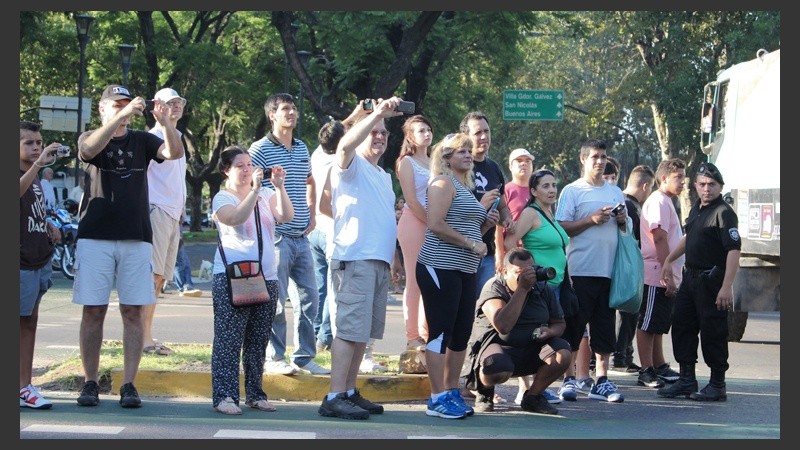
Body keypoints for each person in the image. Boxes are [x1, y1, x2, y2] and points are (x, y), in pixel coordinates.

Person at [73, 84, 184, 408]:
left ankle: (129, 384)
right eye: (116, 105)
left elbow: (173, 153)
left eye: (127, 104)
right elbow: (90, 150)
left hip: (136, 237)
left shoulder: (142, 140)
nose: (124, 110)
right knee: (93, 310)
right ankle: (90, 381)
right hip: (95, 236)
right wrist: (122, 114)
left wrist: (165, 123)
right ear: (102, 109)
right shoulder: (90, 136)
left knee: (132, 312)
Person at [316, 96, 403, 420]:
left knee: (362, 334)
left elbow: (383, 219)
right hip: (355, 259)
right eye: (374, 131)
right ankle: (334, 395)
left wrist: (392, 257)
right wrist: (376, 113)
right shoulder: (351, 165)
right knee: (349, 331)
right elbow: (342, 146)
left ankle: (349, 391)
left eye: (384, 132)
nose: (379, 136)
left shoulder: (382, 176)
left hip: (377, 261)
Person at [416, 132, 498, 419]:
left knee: (461, 331)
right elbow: (435, 224)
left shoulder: (464, 187)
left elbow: (472, 233)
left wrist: (485, 226)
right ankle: (436, 396)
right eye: (460, 150)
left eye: (468, 150)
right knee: (440, 330)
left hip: (464, 269)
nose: (467, 154)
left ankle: (450, 391)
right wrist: (469, 242)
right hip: (439, 266)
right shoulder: (442, 182)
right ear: (447, 157)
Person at [209, 145, 293, 415]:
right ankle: (225, 396)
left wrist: (279, 187)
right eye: (240, 166)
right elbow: (235, 219)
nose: (247, 170)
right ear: (226, 170)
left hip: (266, 276)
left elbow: (286, 216)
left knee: (258, 341)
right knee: (229, 339)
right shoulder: (223, 198)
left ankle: (255, 393)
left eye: (249, 165)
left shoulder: (266, 193)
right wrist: (254, 190)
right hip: (233, 276)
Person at [249, 93, 328, 376]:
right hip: (277, 237)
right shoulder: (259, 150)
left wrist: (313, 212)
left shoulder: (302, 147)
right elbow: (249, 187)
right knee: (276, 302)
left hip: (301, 237)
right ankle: (274, 356)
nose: (291, 113)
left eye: (293, 108)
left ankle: (305, 357)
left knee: (311, 299)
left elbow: (309, 180)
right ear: (272, 115)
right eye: (285, 109)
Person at [658, 161, 740, 402]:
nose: (707, 188)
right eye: (702, 184)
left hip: (711, 280)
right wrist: (669, 259)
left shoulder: (723, 212)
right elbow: (688, 236)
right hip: (690, 278)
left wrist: (726, 287)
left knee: (713, 331)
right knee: (682, 326)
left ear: (720, 186)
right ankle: (686, 380)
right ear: (695, 185)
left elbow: (734, 250)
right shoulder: (697, 209)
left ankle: (717, 385)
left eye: (712, 184)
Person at [554, 138, 627, 403]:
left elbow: (626, 229)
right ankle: (568, 379)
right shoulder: (572, 191)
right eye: (595, 156)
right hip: (580, 269)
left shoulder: (615, 192)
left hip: (609, 270)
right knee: (575, 324)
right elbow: (562, 227)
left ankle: (602, 380)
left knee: (605, 326)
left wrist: (621, 220)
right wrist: (591, 220)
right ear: (583, 159)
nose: (600, 161)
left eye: (603, 156)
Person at [464, 248, 571, 415]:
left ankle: (533, 397)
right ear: (504, 272)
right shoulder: (494, 286)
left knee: (562, 353)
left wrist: (549, 332)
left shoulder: (542, 288)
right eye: (520, 272)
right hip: (499, 348)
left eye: (531, 271)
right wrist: (522, 289)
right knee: (498, 368)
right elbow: (503, 326)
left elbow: (560, 323)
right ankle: (485, 391)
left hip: (532, 347)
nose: (528, 277)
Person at [503, 168, 569, 407]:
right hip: (537, 285)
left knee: (547, 336)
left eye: (553, 185)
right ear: (533, 191)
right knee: (529, 335)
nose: (551, 190)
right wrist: (515, 273)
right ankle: (524, 388)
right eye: (545, 186)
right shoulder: (531, 213)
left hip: (556, 285)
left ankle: (537, 387)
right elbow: (511, 242)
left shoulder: (551, 214)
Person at [19, 121, 63, 409]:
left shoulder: (34, 177)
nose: (37, 147)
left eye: (39, 142)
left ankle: (24, 384)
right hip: (19, 261)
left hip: (39, 259)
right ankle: (21, 385)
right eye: (29, 143)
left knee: (29, 322)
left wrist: (48, 224)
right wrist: (36, 167)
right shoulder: (28, 173)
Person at [143, 87, 189, 356]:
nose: (176, 107)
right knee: (150, 278)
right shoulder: (152, 138)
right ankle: (144, 338)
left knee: (160, 278)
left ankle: (147, 335)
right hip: (156, 211)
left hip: (173, 214)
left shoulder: (176, 136)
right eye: (170, 103)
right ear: (157, 107)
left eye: (179, 102)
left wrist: (181, 210)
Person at [636, 159, 684, 388]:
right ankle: (646, 370)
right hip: (656, 272)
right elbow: (659, 237)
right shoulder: (658, 201)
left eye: (684, 177)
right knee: (647, 322)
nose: (683, 182)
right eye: (679, 177)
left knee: (658, 322)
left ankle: (659, 364)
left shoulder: (667, 201)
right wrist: (667, 270)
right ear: (664, 178)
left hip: (664, 272)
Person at [498, 148, 539, 404]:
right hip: (511, 263)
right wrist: (500, 259)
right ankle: (513, 385)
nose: (524, 165)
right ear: (511, 165)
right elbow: (499, 226)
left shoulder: (535, 191)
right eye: (519, 161)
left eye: (528, 161)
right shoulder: (508, 190)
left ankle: (530, 384)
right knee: (507, 318)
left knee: (530, 319)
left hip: (533, 262)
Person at [459, 112, 515, 298]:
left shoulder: (494, 168)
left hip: (487, 253)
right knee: (462, 308)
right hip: (461, 249)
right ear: (466, 136)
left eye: (487, 131)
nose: (484, 137)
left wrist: (506, 219)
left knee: (483, 310)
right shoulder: (458, 167)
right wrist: (481, 209)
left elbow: (502, 206)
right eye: (477, 133)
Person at [395, 114, 433, 351]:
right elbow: (411, 199)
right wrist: (433, 222)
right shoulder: (406, 162)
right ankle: (412, 335)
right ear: (410, 136)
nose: (427, 134)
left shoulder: (436, 161)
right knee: (415, 279)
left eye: (428, 129)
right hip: (414, 222)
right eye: (420, 130)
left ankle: (427, 332)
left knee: (431, 280)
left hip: (433, 224)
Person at [309, 119, 346, 354]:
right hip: (333, 231)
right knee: (334, 292)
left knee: (318, 289)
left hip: (315, 230)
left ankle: (317, 336)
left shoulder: (317, 156)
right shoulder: (342, 163)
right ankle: (326, 336)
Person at [613, 164, 655, 372]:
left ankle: (622, 353)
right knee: (629, 310)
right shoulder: (630, 205)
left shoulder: (623, 201)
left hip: (621, 263)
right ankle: (620, 354)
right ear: (646, 186)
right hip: (625, 264)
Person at [173, 233, 202, 297]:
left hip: (177, 239)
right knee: (180, 264)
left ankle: (187, 286)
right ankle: (183, 288)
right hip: (174, 238)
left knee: (185, 264)